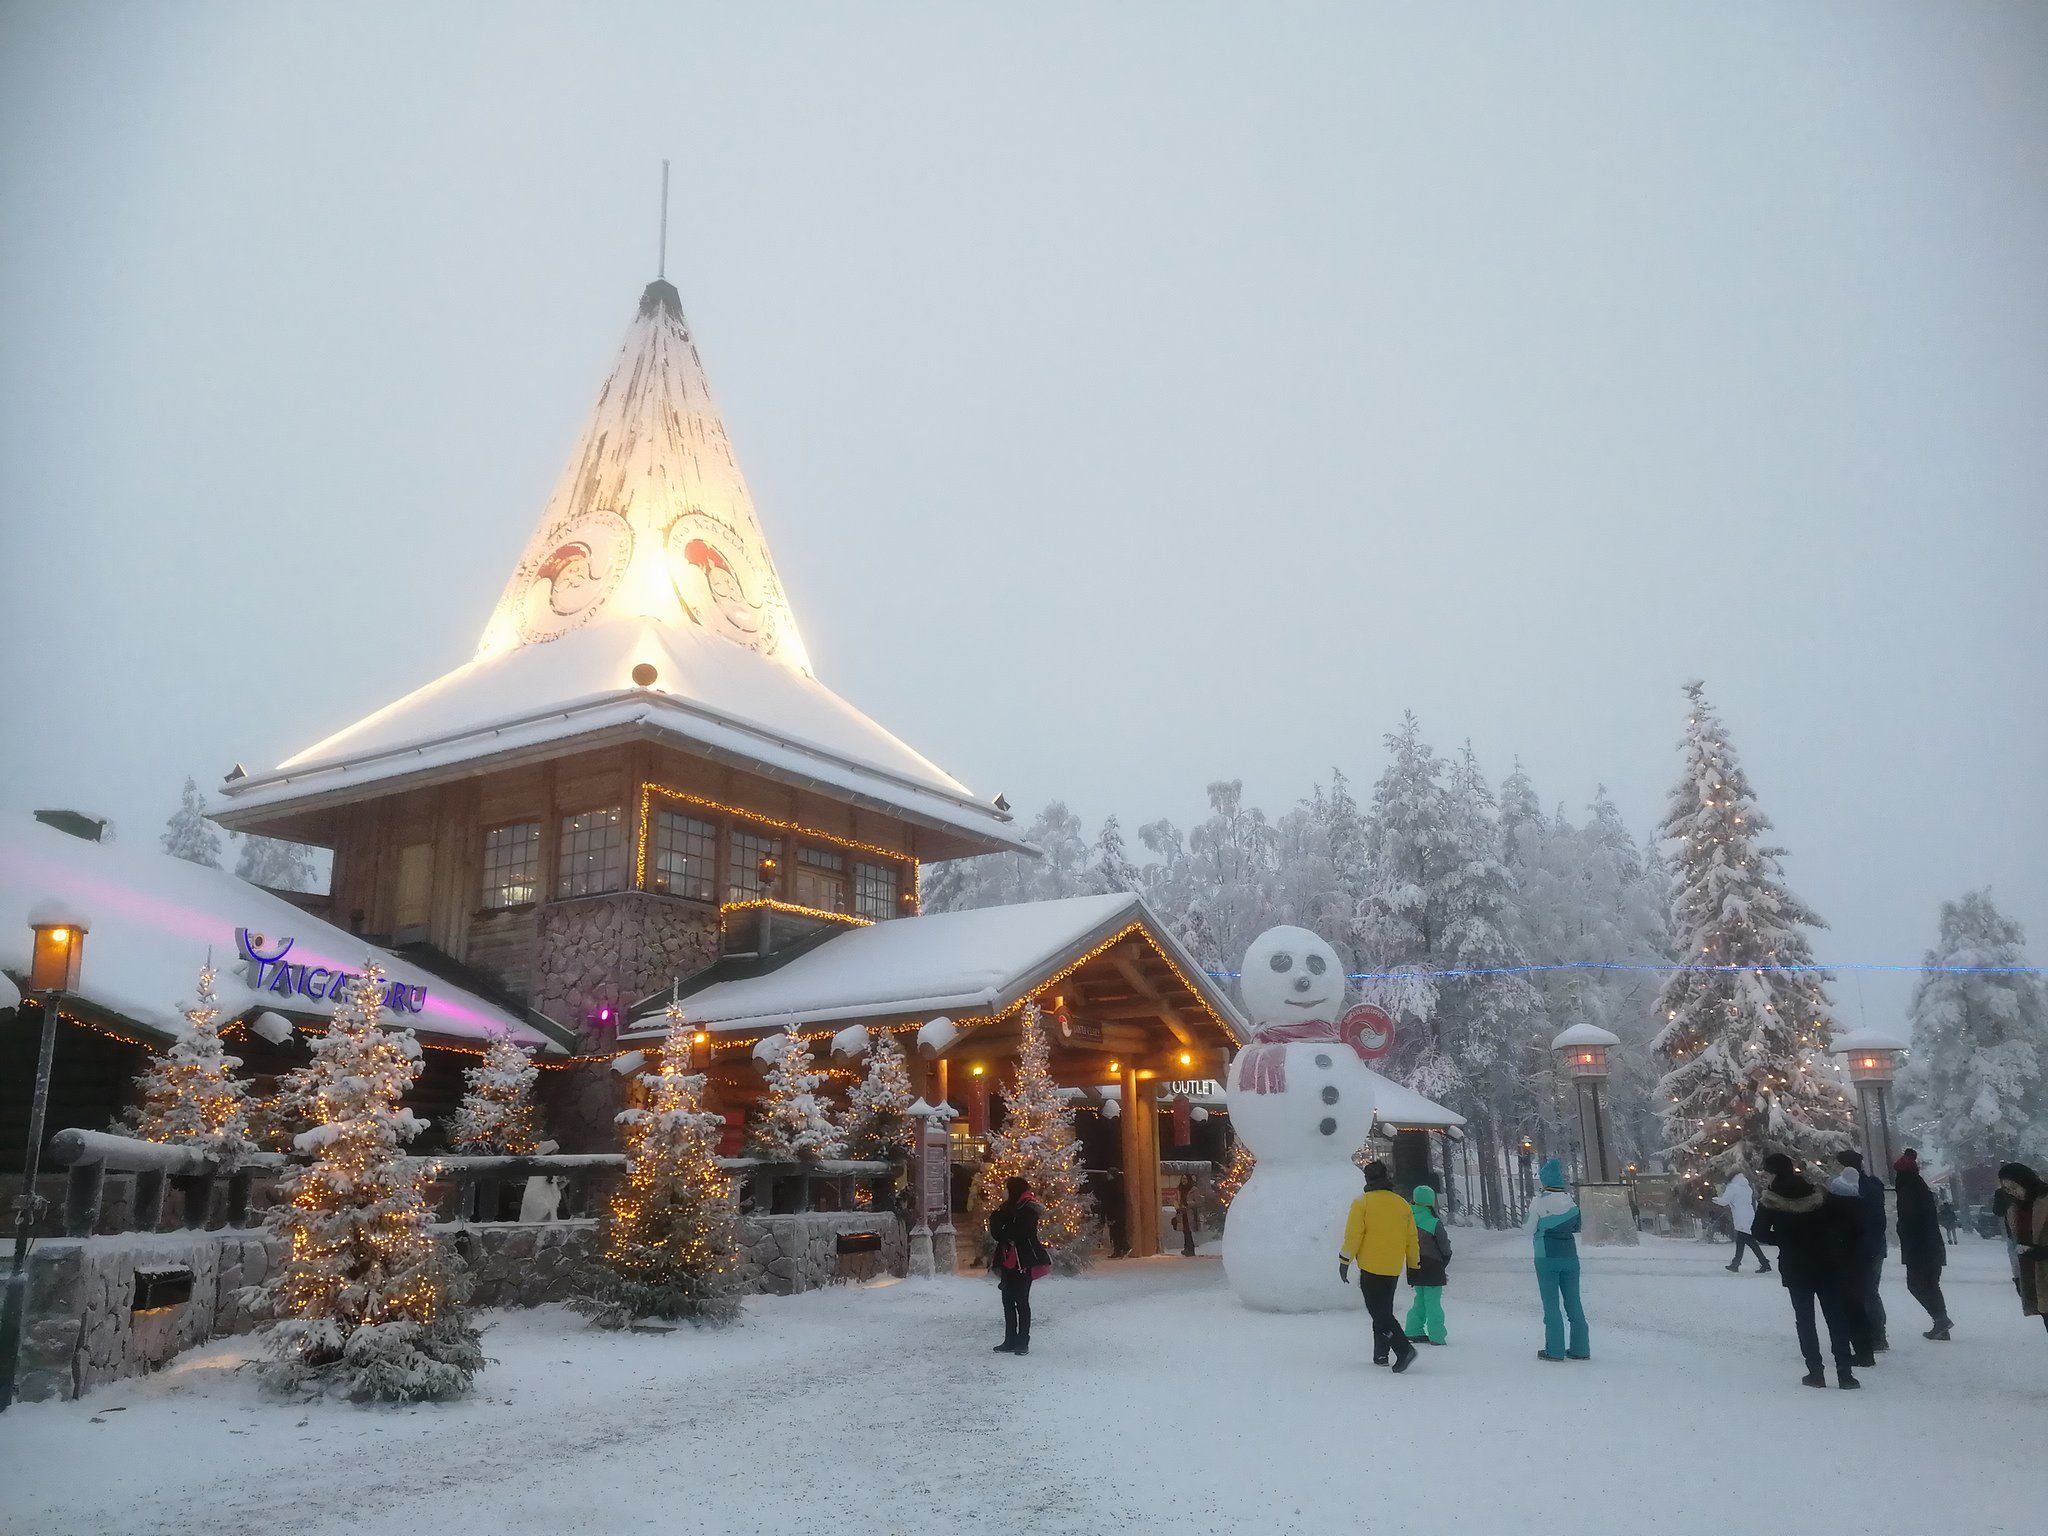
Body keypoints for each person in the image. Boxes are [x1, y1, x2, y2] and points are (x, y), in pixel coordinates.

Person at [1753, 1152, 1862, 1389]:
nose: (1765, 1177)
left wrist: (1784, 1239)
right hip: (1826, 1262)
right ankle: (1845, 1374)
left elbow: (1759, 1232)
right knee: (1835, 1317)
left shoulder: (1770, 1200)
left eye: (1767, 1172)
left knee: (1805, 1320)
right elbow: (1843, 1220)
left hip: (1796, 1266)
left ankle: (1816, 1372)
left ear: (1774, 1173)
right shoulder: (1816, 1193)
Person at [1338, 1160, 1420, 1372]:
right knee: (1385, 1310)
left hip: (1371, 1267)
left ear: (1367, 1179)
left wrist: (1345, 1261)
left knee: (1379, 1313)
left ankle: (1403, 1349)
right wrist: (1414, 1265)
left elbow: (1353, 1236)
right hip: (1393, 1267)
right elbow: (1412, 1238)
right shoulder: (1402, 1204)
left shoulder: (1362, 1203)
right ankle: (1381, 1353)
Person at [1526, 1158, 1590, 1362]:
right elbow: (1577, 1225)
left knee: (1551, 1305)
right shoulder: (1570, 1201)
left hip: (1546, 1256)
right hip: (1570, 1256)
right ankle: (1581, 1348)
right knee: (1574, 1303)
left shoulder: (1539, 1201)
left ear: (1545, 1180)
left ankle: (1554, 1349)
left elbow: (1528, 1228)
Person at [1830, 1148, 1888, 1357]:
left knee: (1865, 1292)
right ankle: (1877, 1334)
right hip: (1876, 1245)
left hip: (1861, 1247)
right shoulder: (1873, 1185)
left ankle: (1875, 1335)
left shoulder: (1849, 1188)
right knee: (1870, 1291)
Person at [1891, 1150, 1951, 1340]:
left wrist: (1901, 1230)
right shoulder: (1920, 1188)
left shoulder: (1908, 1191)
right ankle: (1941, 1324)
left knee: (1917, 1285)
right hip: (1931, 1246)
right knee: (1931, 1284)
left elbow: (1909, 1220)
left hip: (1919, 1248)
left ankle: (1941, 1320)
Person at [987, 1176, 1049, 1356]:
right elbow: (997, 1233)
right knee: (1007, 1300)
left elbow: (1023, 1233)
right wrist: (1002, 1227)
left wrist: (1006, 1230)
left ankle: (1022, 1341)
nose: (1004, 1192)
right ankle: (1010, 1340)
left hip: (1023, 1261)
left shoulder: (1028, 1208)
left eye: (1007, 1188)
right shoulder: (1006, 1209)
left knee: (1021, 1301)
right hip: (1007, 1259)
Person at [1997, 1162, 2048, 1339]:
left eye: (2013, 1187)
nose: (2011, 1192)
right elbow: (2015, 1240)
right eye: (2006, 1189)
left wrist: (2042, 1252)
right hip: (2036, 1278)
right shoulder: (2017, 1207)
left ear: (2024, 1181)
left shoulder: (2045, 1201)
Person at [1403, 1184, 1452, 1346]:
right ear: (1430, 1201)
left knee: (1420, 1300)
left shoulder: (1407, 1220)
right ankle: (1436, 1335)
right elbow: (1445, 1248)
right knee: (1433, 1302)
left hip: (1414, 1265)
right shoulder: (1433, 1222)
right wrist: (1445, 1261)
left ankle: (1413, 1329)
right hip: (1433, 1266)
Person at [1713, 1169, 1770, 1273]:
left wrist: (1715, 1199)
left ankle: (1764, 1263)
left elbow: (1724, 1201)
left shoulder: (1732, 1187)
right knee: (1743, 1240)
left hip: (1740, 1216)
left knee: (1749, 1241)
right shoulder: (1746, 1187)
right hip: (1749, 1214)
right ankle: (1736, 1263)